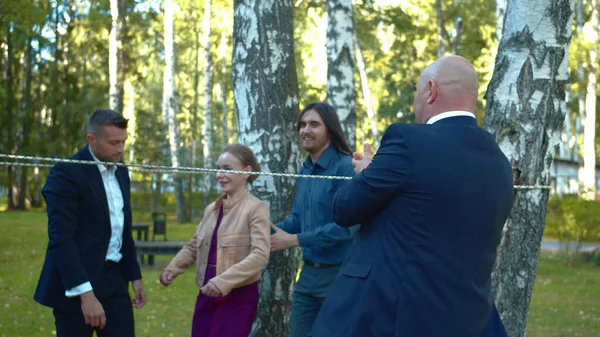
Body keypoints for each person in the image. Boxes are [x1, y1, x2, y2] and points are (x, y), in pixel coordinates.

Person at [308, 55, 514, 337]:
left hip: (389, 317)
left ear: (431, 90)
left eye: (417, 90)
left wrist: (366, 174)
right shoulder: (499, 162)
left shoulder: (408, 141)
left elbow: (345, 209)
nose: (416, 99)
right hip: (465, 320)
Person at [34, 108, 146, 337]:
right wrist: (85, 294)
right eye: (114, 143)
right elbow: (61, 239)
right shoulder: (66, 173)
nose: (121, 149)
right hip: (75, 280)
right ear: (91, 140)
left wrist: (134, 276)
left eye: (124, 142)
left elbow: (122, 228)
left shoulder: (121, 170)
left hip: (115, 281)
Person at [159, 144, 270, 337]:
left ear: (246, 172)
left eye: (227, 169)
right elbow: (194, 244)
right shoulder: (212, 208)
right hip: (207, 292)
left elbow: (260, 256)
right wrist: (173, 268)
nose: (220, 174)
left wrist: (222, 282)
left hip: (238, 297)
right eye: (218, 168)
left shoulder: (256, 208)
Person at [270, 102, 357, 337]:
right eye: (302, 124)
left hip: (339, 276)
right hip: (308, 276)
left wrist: (294, 240)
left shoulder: (346, 168)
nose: (305, 130)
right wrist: (265, 230)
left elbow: (346, 228)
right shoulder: (305, 170)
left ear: (330, 129)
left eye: (314, 124)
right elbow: (300, 220)